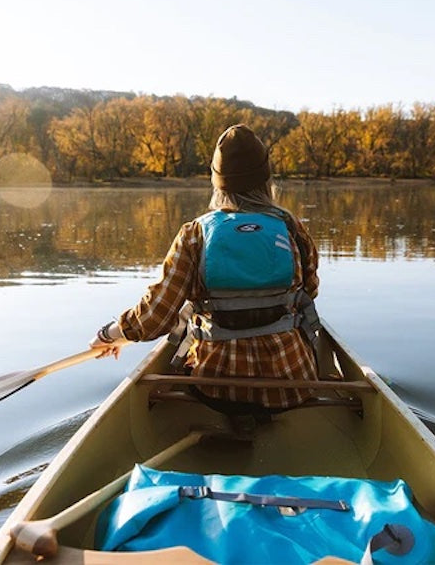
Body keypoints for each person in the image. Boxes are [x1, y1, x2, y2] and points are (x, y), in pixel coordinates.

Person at [90, 124, 320, 414]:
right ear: (266, 179)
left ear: (217, 182)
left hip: (216, 388)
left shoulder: (195, 234)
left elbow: (155, 319)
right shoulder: (292, 228)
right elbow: (309, 292)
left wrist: (110, 334)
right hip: (290, 384)